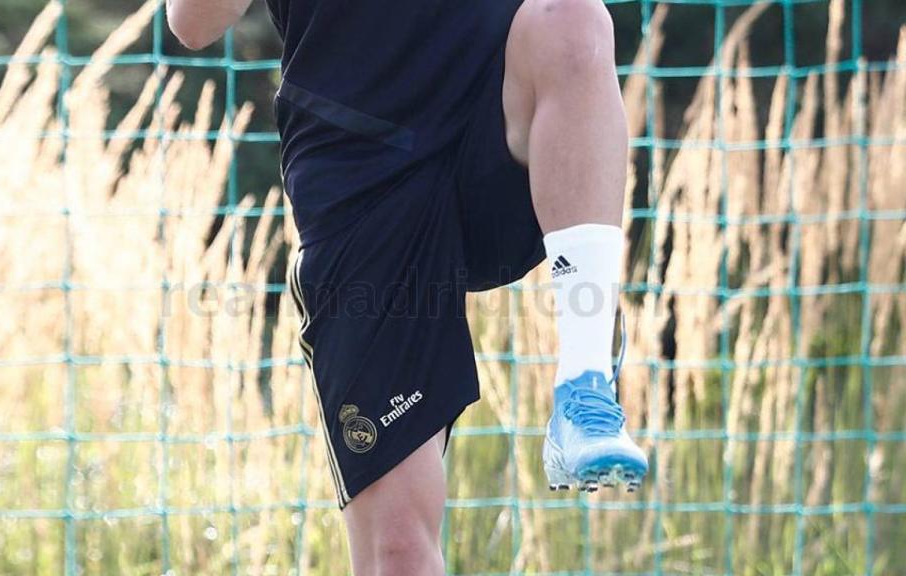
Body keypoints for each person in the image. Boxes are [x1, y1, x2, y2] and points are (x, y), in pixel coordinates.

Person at [168, 0, 649, 572]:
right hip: (357, 161)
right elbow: (191, 24)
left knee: (574, 20)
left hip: (496, 115)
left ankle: (585, 390)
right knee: (395, 550)